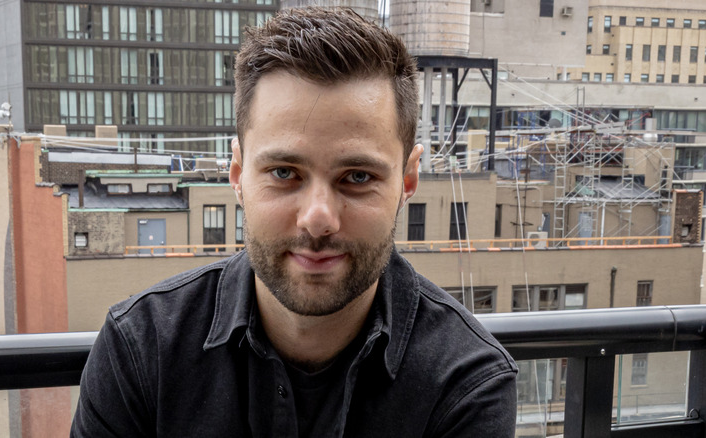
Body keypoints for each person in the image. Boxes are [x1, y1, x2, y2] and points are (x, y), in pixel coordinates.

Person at [71, 7, 517, 437]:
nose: (318, 218)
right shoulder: (141, 348)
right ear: (237, 173)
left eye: (357, 177)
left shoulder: (467, 383)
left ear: (408, 180)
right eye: (284, 173)